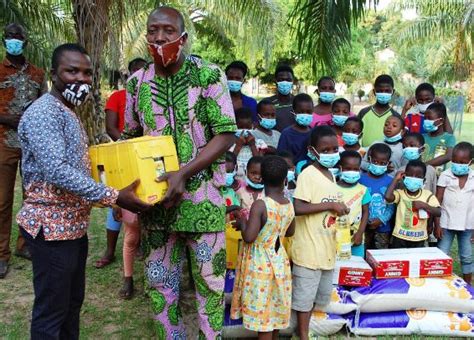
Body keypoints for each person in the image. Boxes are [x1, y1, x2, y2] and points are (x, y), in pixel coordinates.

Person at [16, 43, 151, 339]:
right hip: (51, 231)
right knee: (52, 312)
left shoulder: (67, 111)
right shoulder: (44, 113)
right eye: (72, 71)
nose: (81, 79)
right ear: (54, 74)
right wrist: (115, 195)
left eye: (87, 73)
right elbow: (57, 170)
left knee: (71, 304)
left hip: (72, 229)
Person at [122, 7, 236, 338]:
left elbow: (226, 133)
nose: (160, 37)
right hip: (155, 208)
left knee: (211, 290)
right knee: (160, 287)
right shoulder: (136, 84)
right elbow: (130, 140)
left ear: (182, 37)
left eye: (168, 31)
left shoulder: (209, 76)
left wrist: (184, 173)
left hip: (204, 200)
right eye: (153, 30)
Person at [291, 126, 349, 340]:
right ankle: (303, 335)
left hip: (326, 248)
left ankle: (306, 330)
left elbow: (328, 204)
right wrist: (330, 206)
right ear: (312, 151)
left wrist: (338, 208)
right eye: (325, 150)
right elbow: (298, 207)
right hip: (308, 251)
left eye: (335, 148)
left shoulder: (330, 175)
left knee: (317, 295)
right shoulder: (308, 174)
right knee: (304, 299)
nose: (332, 153)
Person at [0, 23, 48, 278]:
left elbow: (45, 105)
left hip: (31, 144)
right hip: (4, 143)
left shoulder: (37, 74)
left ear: (25, 42)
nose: (14, 41)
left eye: (18, 37)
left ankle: (24, 245)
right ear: (4, 41)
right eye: (10, 37)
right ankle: (1, 254)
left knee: (31, 197)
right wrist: (10, 119)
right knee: (2, 200)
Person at [231, 156, 295, 339]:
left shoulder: (261, 205)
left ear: (262, 179)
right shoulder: (288, 204)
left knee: (263, 318)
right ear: (286, 180)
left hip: (260, 264)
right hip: (279, 261)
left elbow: (250, 237)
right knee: (274, 309)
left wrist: (243, 223)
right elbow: (290, 232)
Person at [95, 57, 147, 270]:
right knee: (118, 198)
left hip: (145, 155)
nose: (138, 76)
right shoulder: (117, 97)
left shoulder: (151, 98)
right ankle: (110, 249)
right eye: (134, 71)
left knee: (144, 196)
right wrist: (128, 147)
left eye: (142, 72)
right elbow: (110, 127)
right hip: (121, 153)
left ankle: (140, 242)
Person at [436, 142, 473, 284]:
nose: (458, 165)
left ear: (471, 162)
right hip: (446, 222)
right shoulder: (445, 175)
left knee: (467, 256)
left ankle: (468, 285)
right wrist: (437, 224)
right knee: (442, 253)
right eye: (455, 161)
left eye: (462, 162)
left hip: (468, 224)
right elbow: (437, 200)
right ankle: (439, 283)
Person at [385, 160, 441, 248]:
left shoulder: (428, 195)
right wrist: (395, 179)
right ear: (404, 177)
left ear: (424, 180)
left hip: (419, 238)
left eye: (418, 176)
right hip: (400, 237)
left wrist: (424, 205)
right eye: (410, 175)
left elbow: (438, 212)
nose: (414, 178)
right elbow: (388, 197)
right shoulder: (400, 193)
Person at [359, 143, 395, 250]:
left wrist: (381, 220)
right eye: (375, 161)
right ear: (369, 159)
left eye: (382, 163)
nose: (378, 165)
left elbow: (391, 205)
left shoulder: (390, 181)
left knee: (380, 256)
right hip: (363, 226)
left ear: (388, 163)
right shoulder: (360, 179)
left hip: (383, 228)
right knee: (362, 252)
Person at [337, 151, 371, 257]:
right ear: (340, 168)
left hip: (356, 236)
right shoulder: (332, 187)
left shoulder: (363, 190)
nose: (352, 172)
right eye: (348, 169)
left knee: (357, 267)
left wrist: (360, 233)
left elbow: (365, 213)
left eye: (356, 169)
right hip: (336, 237)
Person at [358, 74, 400, 147]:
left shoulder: (395, 116)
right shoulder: (363, 113)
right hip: (364, 156)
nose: (383, 93)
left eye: (387, 91)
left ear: (392, 92)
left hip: (386, 157)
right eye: (380, 91)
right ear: (374, 92)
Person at [277, 93, 313, 163]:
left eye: (308, 112)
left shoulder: (314, 133)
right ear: (293, 112)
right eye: (301, 112)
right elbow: (281, 158)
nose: (305, 114)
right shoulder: (286, 134)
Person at [422, 103, 456, 168]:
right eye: (425, 118)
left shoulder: (449, 138)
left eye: (429, 118)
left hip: (438, 175)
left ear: (441, 121)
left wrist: (424, 165)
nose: (426, 121)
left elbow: (449, 155)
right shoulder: (422, 137)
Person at [263, 64, 295, 132]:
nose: (285, 82)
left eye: (288, 80)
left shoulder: (298, 102)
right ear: (275, 81)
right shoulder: (266, 103)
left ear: (293, 81)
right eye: (281, 80)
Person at [232, 107, 261, 179]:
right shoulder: (230, 143)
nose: (244, 131)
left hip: (253, 179)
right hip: (235, 178)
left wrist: (252, 146)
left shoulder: (259, 143)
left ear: (253, 126)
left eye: (248, 128)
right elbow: (229, 162)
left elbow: (260, 163)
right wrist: (238, 146)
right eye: (240, 127)